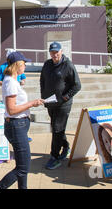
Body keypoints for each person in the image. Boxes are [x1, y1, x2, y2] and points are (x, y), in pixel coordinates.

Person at [0, 52, 44, 189]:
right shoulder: (10, 82)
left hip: (18, 125)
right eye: (24, 63)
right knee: (23, 168)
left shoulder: (12, 80)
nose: (26, 66)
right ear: (18, 65)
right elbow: (11, 110)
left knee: (22, 166)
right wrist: (31, 103)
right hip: (16, 126)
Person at [40, 42, 81, 170]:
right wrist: (44, 95)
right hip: (50, 102)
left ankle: (55, 157)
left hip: (63, 104)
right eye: (52, 52)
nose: (54, 54)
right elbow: (42, 80)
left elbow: (77, 85)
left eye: (56, 52)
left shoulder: (68, 65)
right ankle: (66, 146)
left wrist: (66, 97)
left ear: (61, 51)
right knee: (56, 127)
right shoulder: (47, 64)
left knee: (57, 129)